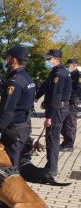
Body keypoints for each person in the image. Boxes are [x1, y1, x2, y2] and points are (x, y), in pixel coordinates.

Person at [0, 46, 35, 167]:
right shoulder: (26, 77)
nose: (6, 61)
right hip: (23, 125)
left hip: (14, 129)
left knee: (9, 166)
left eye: (7, 58)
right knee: (14, 163)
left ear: (14, 60)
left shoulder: (14, 82)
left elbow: (8, 111)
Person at [35, 49, 72, 177]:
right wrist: (37, 96)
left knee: (52, 139)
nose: (47, 61)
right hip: (57, 108)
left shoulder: (59, 74)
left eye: (49, 59)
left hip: (57, 109)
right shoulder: (55, 72)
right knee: (50, 137)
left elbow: (56, 96)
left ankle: (52, 169)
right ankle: (50, 164)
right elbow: (45, 85)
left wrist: (49, 117)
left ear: (57, 59)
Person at [60, 58, 80, 152]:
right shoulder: (68, 74)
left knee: (70, 124)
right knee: (64, 123)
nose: (67, 67)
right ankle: (65, 141)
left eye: (69, 65)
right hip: (66, 102)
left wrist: (71, 97)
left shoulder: (78, 75)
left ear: (75, 65)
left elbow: (78, 89)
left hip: (72, 102)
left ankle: (69, 144)